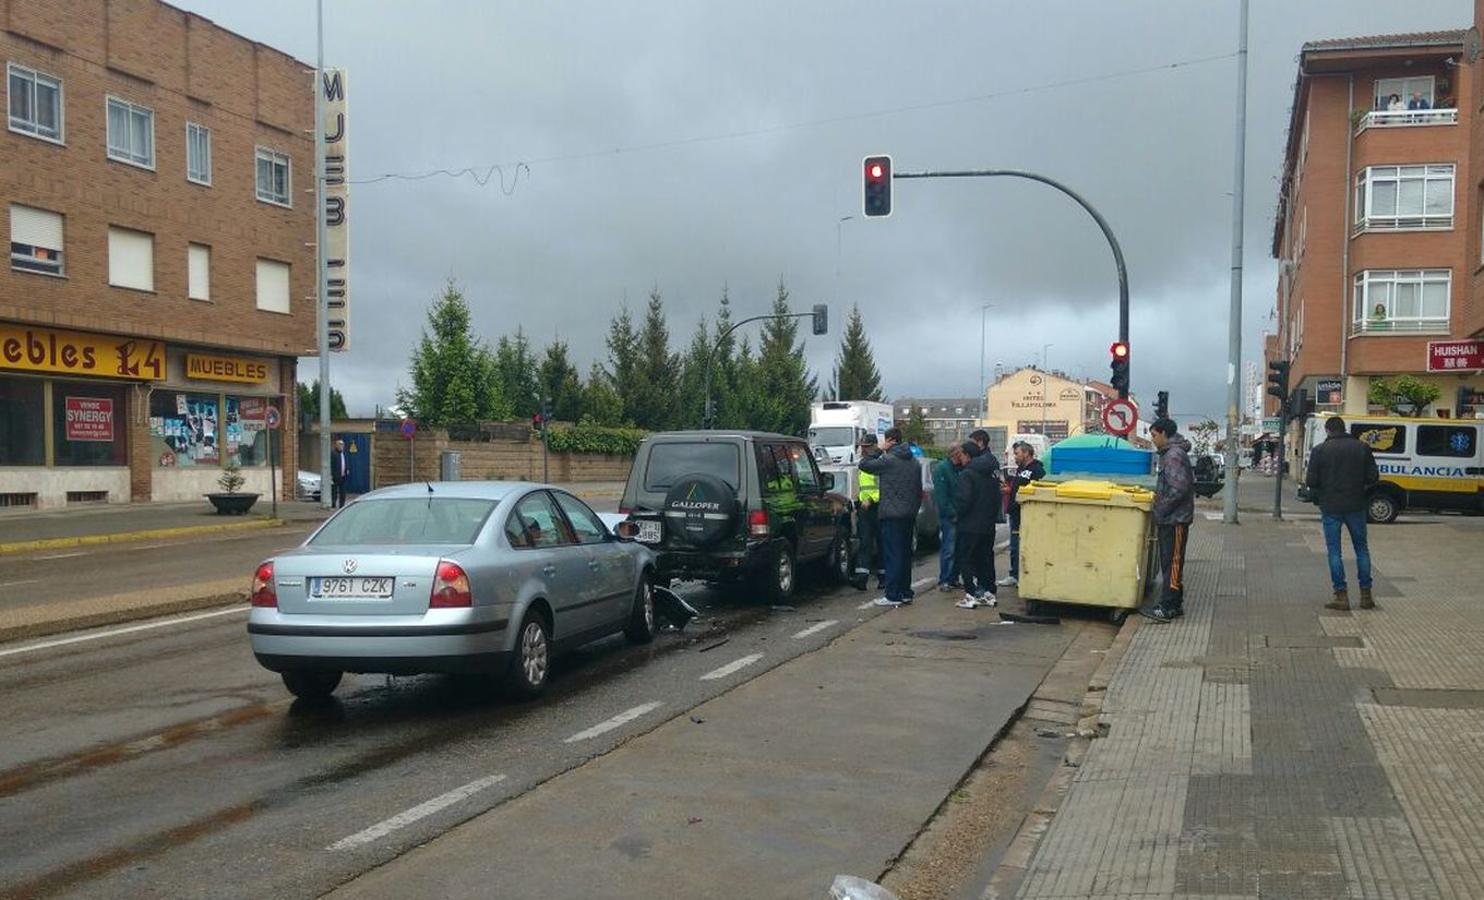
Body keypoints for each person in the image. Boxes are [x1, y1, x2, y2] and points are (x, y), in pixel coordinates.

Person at [1305, 416, 1380, 611]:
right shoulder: (1362, 448)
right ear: (1343, 428)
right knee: (1362, 549)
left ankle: (1341, 596)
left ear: (1328, 430)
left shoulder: (1319, 451)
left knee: (1334, 551)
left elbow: (1311, 481)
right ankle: (1366, 595)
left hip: (1331, 507)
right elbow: (1373, 477)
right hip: (1356, 505)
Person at [859, 427, 923, 606]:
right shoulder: (914, 462)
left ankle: (892, 594)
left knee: (892, 555)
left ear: (889, 440)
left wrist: (879, 449)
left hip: (891, 514)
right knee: (904, 554)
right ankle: (905, 592)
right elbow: (918, 490)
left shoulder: (888, 460)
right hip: (909, 514)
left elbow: (864, 465)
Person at [1141, 418, 1194, 624]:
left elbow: (1178, 489)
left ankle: (1168, 606)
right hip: (1173, 518)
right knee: (1170, 562)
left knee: (1172, 562)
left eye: (1154, 435)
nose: (1153, 440)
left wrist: (1160, 508)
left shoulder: (1173, 456)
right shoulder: (1172, 454)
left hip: (1174, 519)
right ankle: (1175, 602)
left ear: (1164, 434)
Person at [954, 441, 1001, 608]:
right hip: (987, 525)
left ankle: (970, 594)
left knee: (966, 559)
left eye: (961, 454)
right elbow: (998, 499)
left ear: (967, 455)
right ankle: (988, 593)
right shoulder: (991, 474)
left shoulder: (967, 475)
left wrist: (957, 514)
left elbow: (963, 500)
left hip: (969, 525)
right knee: (985, 558)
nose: (960, 457)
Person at [998, 441, 1046, 588]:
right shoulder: (1020, 469)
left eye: (1017, 453)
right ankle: (1014, 575)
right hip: (1015, 514)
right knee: (1015, 546)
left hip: (1026, 515)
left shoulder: (1037, 470)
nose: (1015, 457)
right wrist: (1009, 490)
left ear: (1026, 453)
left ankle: (1023, 576)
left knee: (1022, 546)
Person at [932, 445, 965, 592]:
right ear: (955, 454)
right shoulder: (942, 469)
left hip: (961, 514)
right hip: (950, 516)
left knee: (958, 548)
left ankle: (953, 577)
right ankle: (945, 579)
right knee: (949, 548)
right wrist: (952, 513)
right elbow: (941, 496)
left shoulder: (960, 469)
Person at [852, 434, 881, 591]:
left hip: (878, 507)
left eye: (867, 446)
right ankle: (861, 578)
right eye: (862, 446)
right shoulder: (864, 463)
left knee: (882, 543)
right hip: (864, 508)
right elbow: (864, 486)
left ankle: (884, 577)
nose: (863, 449)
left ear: (875, 445)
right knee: (865, 543)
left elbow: (883, 485)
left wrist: (871, 499)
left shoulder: (881, 462)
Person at [330, 438, 350, 508]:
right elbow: (331, 465)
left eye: (342, 444)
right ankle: (333, 504)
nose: (341, 446)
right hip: (335, 476)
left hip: (343, 476)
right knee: (334, 491)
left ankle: (342, 505)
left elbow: (346, 462)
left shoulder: (344, 453)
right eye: (340, 444)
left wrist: (347, 469)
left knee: (343, 491)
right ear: (336, 445)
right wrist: (332, 474)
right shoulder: (333, 453)